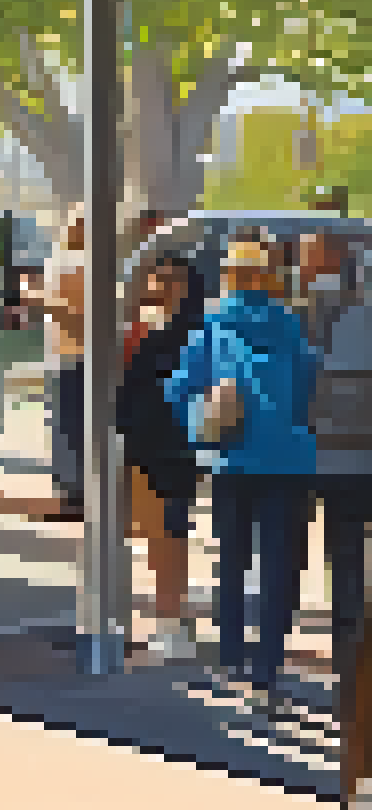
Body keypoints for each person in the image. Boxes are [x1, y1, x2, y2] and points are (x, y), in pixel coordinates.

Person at [167, 234, 320, 707]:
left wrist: (203, 420)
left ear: (229, 278)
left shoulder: (211, 328)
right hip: (290, 461)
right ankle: (267, 668)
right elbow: (307, 387)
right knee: (279, 567)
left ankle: (232, 657)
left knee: (232, 561)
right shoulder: (292, 327)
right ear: (268, 277)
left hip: (231, 460)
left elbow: (177, 391)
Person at [114, 251, 209, 660]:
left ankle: (172, 624)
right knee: (156, 537)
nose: (160, 287)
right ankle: (170, 619)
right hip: (140, 445)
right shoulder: (141, 330)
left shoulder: (194, 334)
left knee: (169, 536)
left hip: (173, 450)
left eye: (171, 280)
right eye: (156, 279)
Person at [300, 235, 372, 711]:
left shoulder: (316, 315)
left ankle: (348, 667)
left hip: (334, 459)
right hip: (350, 459)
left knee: (345, 564)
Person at [36, 210, 90, 519]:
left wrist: (42, 300)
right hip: (65, 356)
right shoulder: (68, 261)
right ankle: (72, 494)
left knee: (69, 428)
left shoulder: (77, 264)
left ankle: (74, 497)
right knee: (65, 427)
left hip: (74, 356)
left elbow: (77, 314)